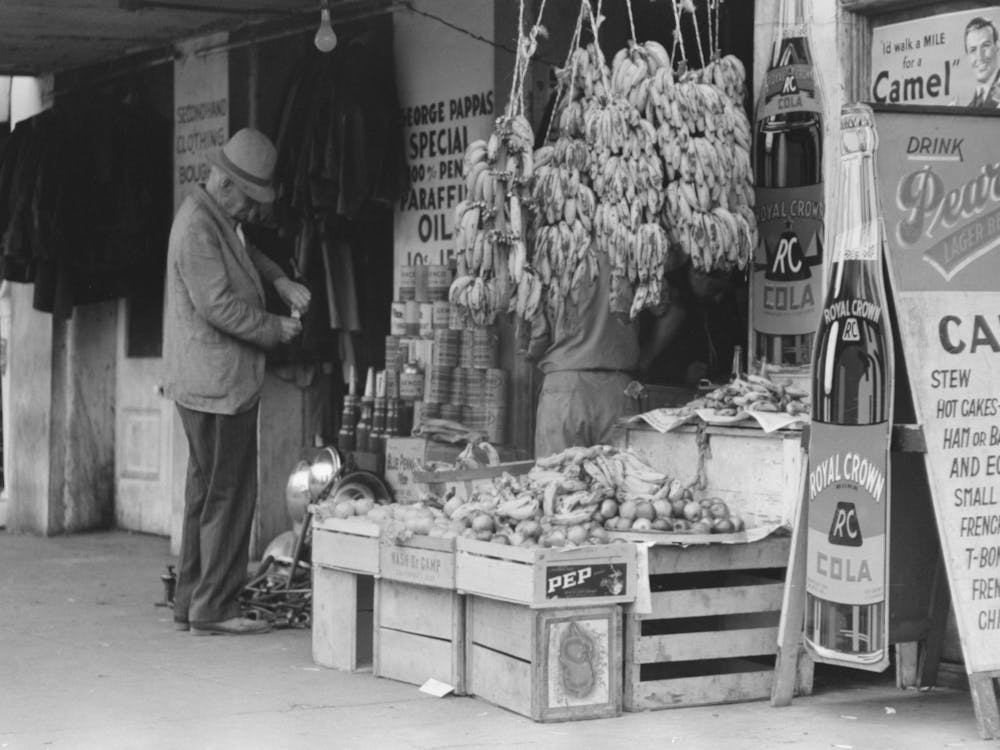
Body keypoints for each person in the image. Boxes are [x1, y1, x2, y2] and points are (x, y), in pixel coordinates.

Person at [163, 128, 311, 636]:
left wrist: (279, 280)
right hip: (217, 386)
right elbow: (218, 306)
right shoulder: (198, 230)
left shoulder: (216, 217)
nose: (251, 211)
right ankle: (217, 608)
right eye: (248, 200)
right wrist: (274, 328)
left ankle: (191, 603)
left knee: (205, 493)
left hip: (208, 383)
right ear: (227, 186)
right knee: (230, 493)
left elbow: (248, 254)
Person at [964, 16, 1000, 108]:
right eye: (973, 50)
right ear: (967, 56)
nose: (980, 56)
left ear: (997, 46)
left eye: (985, 46)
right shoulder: (972, 105)